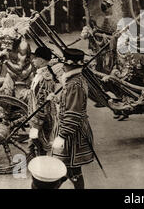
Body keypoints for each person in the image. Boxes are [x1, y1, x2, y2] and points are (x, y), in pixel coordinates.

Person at [50, 48, 94, 189]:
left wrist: (62, 136)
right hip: (71, 130)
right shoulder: (73, 81)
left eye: (65, 65)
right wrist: (57, 100)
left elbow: (73, 113)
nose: (63, 67)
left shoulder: (75, 84)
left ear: (71, 66)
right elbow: (68, 105)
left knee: (70, 169)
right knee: (70, 169)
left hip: (72, 133)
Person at [27, 46, 58, 157]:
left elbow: (42, 103)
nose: (33, 60)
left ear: (41, 60)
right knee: (36, 144)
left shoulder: (45, 77)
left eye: (35, 58)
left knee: (41, 145)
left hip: (41, 120)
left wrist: (38, 123)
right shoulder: (40, 74)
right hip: (36, 118)